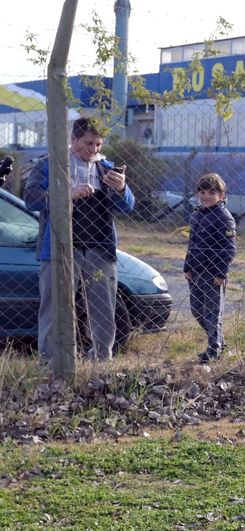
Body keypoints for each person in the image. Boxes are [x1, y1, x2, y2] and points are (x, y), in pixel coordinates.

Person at [24, 116, 134, 363]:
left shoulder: (106, 166)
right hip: (59, 249)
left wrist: (121, 189)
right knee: (55, 310)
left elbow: (127, 207)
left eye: (98, 144)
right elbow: (31, 198)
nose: (93, 150)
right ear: (73, 140)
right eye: (88, 143)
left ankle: (101, 360)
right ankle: (52, 363)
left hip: (100, 249)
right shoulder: (51, 164)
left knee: (104, 310)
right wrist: (68, 194)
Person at [183, 173, 237, 363]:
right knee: (197, 309)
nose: (206, 196)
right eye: (202, 191)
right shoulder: (197, 215)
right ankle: (219, 343)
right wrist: (187, 266)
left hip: (213, 274)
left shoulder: (224, 218)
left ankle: (214, 351)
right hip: (196, 272)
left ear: (221, 196)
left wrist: (221, 273)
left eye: (212, 192)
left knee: (212, 313)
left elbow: (228, 249)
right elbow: (193, 243)